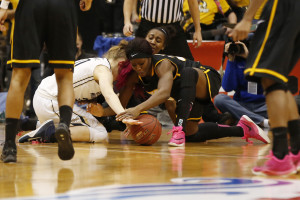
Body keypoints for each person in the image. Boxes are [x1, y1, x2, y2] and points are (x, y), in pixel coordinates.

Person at [114, 37, 270, 147]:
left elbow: (164, 93)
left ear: (150, 57)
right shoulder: (136, 76)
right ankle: (244, 128)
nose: (139, 68)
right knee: (192, 135)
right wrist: (125, 119)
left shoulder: (162, 64)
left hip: (206, 78)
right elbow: (119, 106)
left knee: (188, 72)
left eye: (141, 63)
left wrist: (137, 109)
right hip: (187, 95)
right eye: (135, 66)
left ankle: (179, 131)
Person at [0, 0, 93, 163]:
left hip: (31, 6)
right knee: (64, 77)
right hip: (63, 6)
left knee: (19, 78)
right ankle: (64, 125)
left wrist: (3, 6)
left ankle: (9, 147)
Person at [18, 41, 140, 144]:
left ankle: (30, 124)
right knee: (100, 133)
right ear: (121, 64)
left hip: (46, 98)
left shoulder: (98, 62)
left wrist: (99, 109)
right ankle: (50, 133)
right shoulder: (103, 70)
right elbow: (109, 95)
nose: (120, 79)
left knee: (87, 126)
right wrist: (124, 116)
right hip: (51, 100)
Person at [229, 0, 300, 175]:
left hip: (283, 6)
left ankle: (280, 156)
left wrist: (247, 18)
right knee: (278, 79)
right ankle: (296, 151)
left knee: (269, 77)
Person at [123, 0, 202, 61]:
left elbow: (192, 3)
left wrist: (198, 30)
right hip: (147, 26)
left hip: (173, 29)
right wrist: (127, 22)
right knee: (135, 60)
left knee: (187, 64)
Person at [214, 41, 269, 128]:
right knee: (219, 99)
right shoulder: (235, 62)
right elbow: (227, 87)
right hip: (241, 105)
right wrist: (230, 60)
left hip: (262, 105)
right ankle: (261, 121)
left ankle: (244, 119)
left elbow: (266, 81)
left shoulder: (262, 59)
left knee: (285, 101)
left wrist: (249, 58)